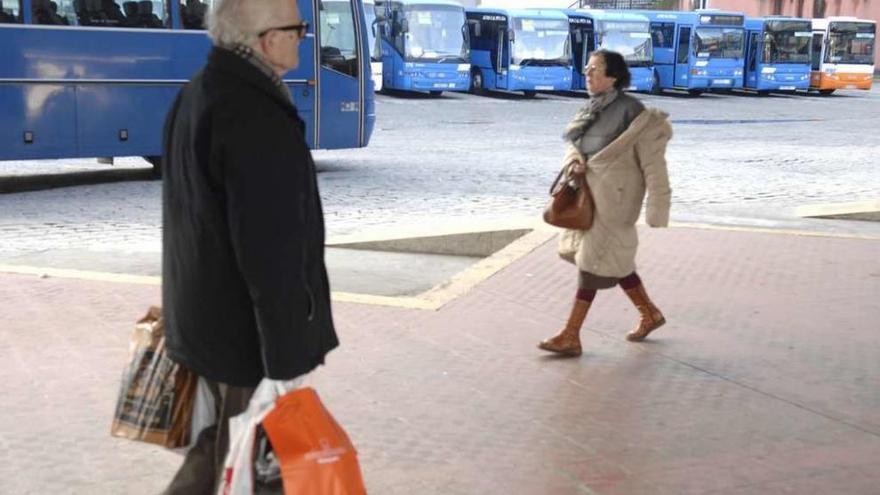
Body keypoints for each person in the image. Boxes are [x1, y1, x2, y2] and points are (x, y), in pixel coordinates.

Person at [160, 0, 336, 492]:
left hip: (205, 322)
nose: (303, 35)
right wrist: (284, 357)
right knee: (248, 459)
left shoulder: (199, 93)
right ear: (264, 40)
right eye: (296, 28)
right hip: (244, 336)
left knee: (226, 447)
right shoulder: (254, 113)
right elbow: (270, 247)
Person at [538, 49, 672, 357]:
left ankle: (571, 335)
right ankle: (650, 313)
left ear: (613, 76)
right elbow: (575, 147)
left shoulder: (634, 114)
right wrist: (574, 162)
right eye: (587, 69)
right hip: (587, 197)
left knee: (592, 263)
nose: (588, 75)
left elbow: (655, 166)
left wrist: (657, 207)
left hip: (616, 202)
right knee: (613, 261)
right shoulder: (588, 109)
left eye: (595, 70)